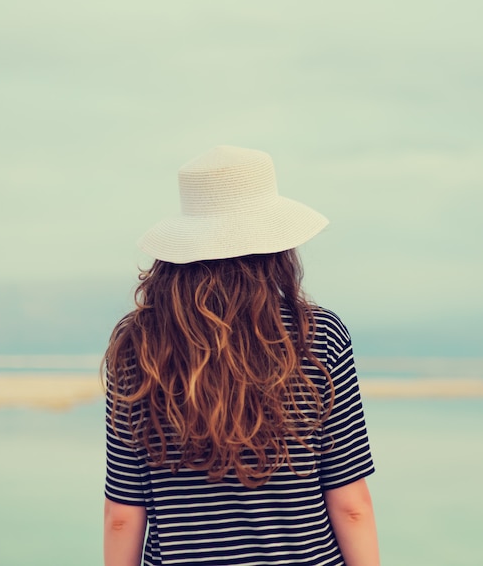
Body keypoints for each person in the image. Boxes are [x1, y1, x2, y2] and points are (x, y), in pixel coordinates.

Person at [103, 146, 380, 566]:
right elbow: (351, 504)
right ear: (276, 246)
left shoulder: (138, 346)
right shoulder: (317, 335)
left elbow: (122, 516)